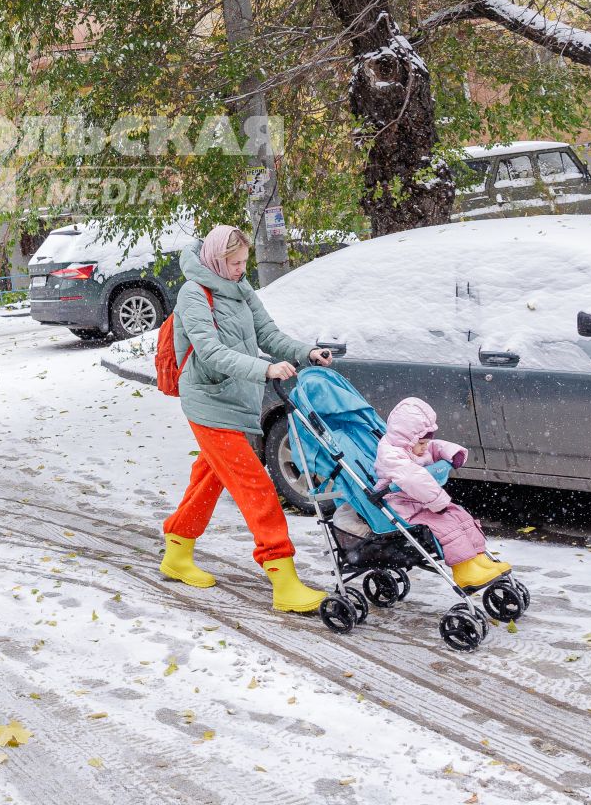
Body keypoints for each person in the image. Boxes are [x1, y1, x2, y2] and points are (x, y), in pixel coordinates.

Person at [159, 223, 332, 612]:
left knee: (210, 477)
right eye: (234, 263)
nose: (240, 269)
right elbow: (209, 352)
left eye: (243, 263)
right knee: (256, 487)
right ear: (216, 260)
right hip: (208, 403)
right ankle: (283, 581)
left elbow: (268, 334)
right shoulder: (194, 294)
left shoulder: (240, 290)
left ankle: (177, 550)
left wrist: (306, 352)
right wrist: (264, 370)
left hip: (238, 400)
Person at [373, 397, 512, 587]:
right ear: (407, 439)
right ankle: (463, 570)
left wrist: (452, 453)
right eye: (421, 443)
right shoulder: (391, 454)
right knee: (446, 524)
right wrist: (438, 502)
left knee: (460, 515)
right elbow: (413, 478)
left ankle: (478, 558)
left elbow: (434, 445)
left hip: (421, 500)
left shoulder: (417, 445)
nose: (425, 447)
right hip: (401, 505)